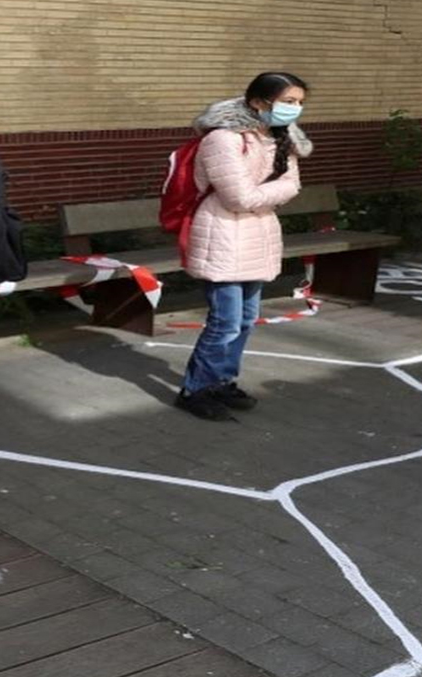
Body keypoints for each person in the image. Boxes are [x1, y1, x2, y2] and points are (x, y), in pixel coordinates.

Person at [175, 72, 312, 421]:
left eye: (299, 102)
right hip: (221, 236)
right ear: (257, 102)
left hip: (257, 236)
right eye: (288, 101)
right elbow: (238, 198)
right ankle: (195, 389)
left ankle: (221, 380)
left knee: (246, 319)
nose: (295, 109)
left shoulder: (281, 137)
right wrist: (270, 194)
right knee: (225, 322)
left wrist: (262, 195)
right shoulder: (222, 139)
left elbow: (293, 184)